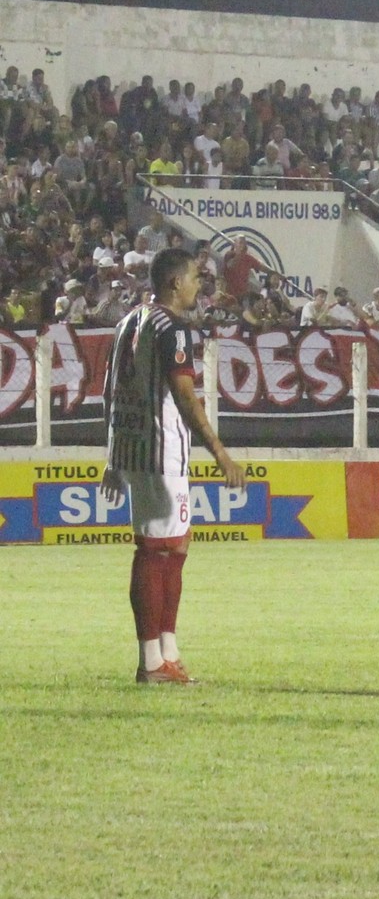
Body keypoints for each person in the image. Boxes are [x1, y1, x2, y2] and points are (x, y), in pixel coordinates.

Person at [100, 247, 246, 684]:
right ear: (174, 283)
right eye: (195, 278)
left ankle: (167, 651)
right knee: (156, 549)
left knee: (174, 546)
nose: (199, 285)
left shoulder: (128, 322)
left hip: (135, 448)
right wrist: (220, 453)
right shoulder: (173, 328)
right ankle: (151, 661)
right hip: (161, 449)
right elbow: (184, 395)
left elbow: (111, 391)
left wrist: (114, 457)